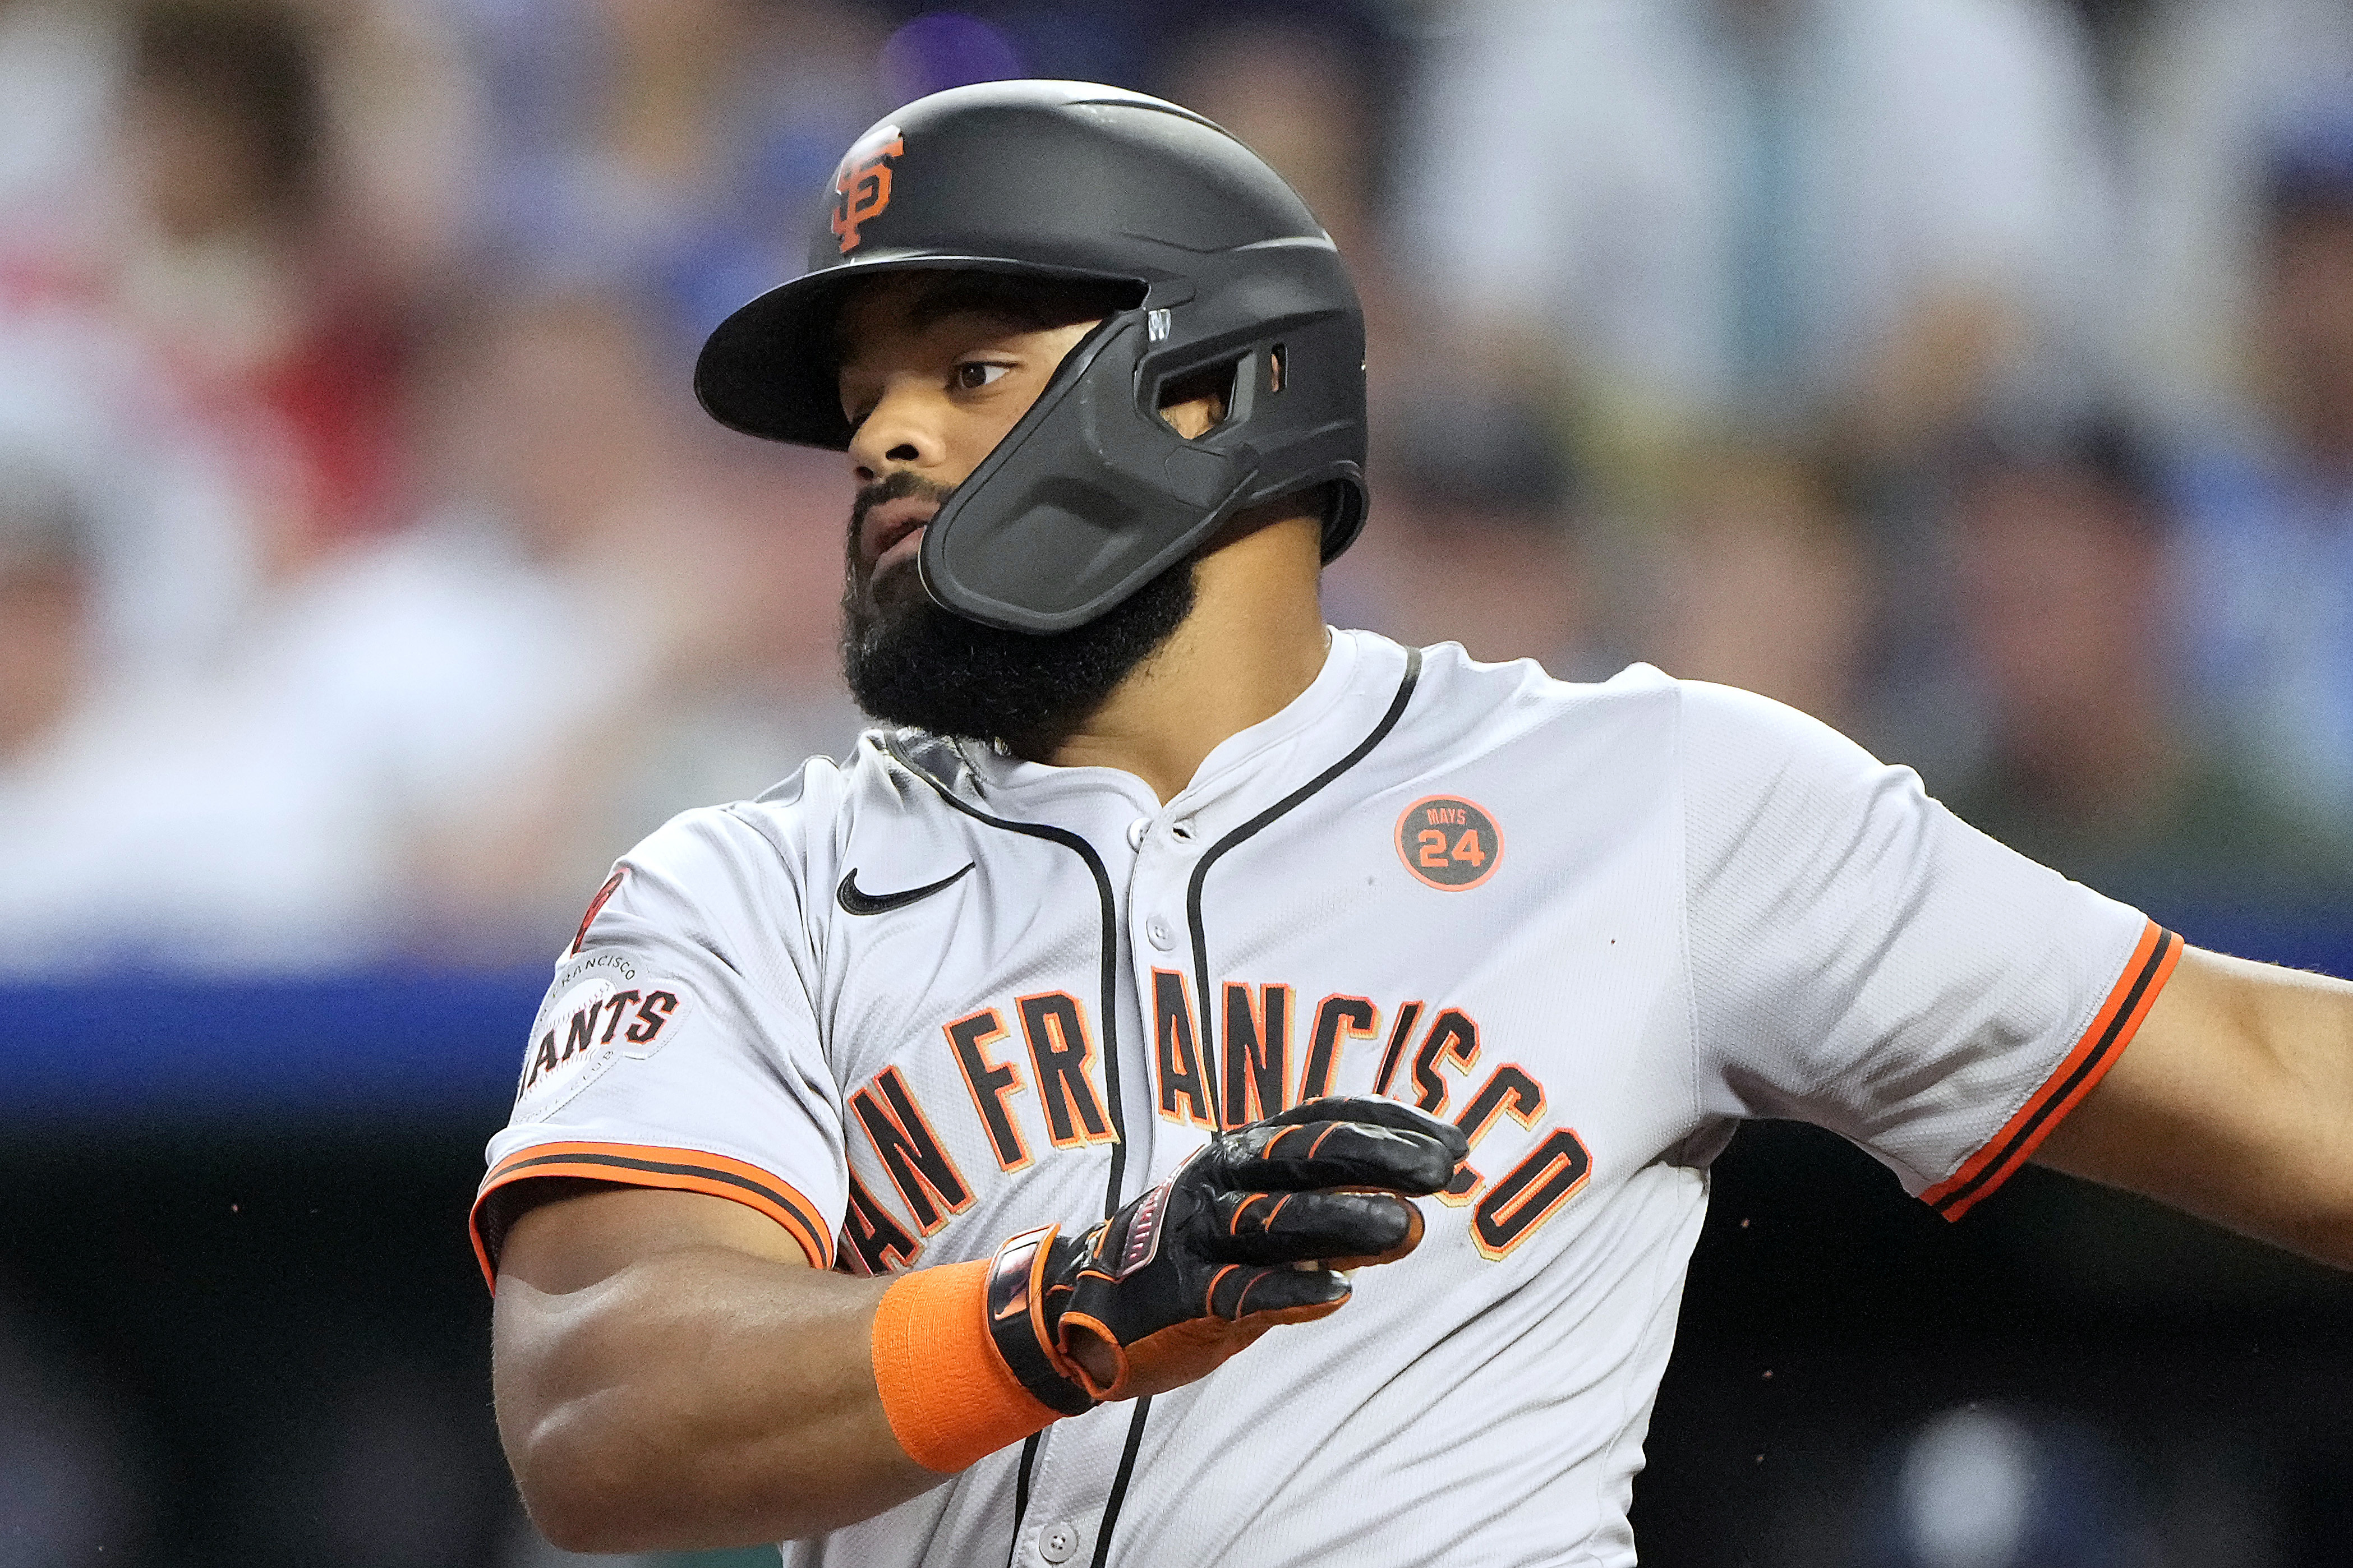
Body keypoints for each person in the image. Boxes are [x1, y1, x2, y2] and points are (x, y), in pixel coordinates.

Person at [472, 84, 2353, 1567]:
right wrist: (1073, 1306)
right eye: (861, 397)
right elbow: (592, 1407)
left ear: (1213, 386)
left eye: (963, 372)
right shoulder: (745, 888)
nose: (883, 440)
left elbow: (2264, 1071)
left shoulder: (1647, 798)